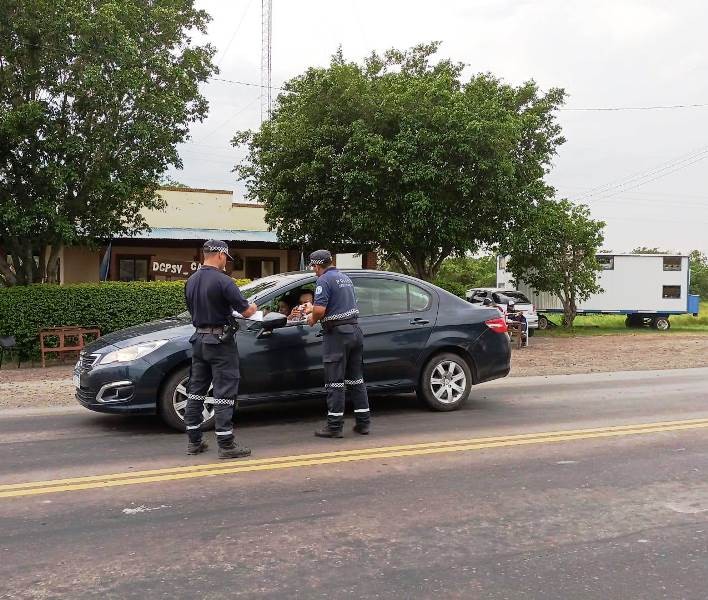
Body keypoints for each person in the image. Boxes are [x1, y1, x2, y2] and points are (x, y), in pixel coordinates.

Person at [184, 240, 257, 458]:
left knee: (196, 391)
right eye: (226, 258)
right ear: (220, 255)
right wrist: (254, 306)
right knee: (224, 392)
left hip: (199, 340)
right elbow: (246, 312)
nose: (226, 262)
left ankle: (194, 441)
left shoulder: (191, 280)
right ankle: (226, 444)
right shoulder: (224, 281)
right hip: (220, 343)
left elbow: (192, 309)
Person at [305, 250, 370, 438]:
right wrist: (313, 309)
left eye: (313, 266)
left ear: (317, 265)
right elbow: (339, 304)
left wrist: (311, 318)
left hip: (337, 334)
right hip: (355, 331)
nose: (313, 270)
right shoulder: (345, 278)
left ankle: (334, 426)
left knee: (334, 381)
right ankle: (363, 423)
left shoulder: (323, 280)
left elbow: (320, 310)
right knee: (356, 380)